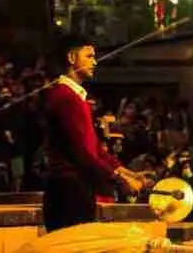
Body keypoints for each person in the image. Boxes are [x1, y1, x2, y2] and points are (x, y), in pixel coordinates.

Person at [42, 34, 143, 231]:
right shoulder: (66, 97)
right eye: (89, 56)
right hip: (69, 190)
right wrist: (119, 179)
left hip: (74, 188)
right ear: (71, 58)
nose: (94, 62)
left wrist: (125, 171)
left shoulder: (75, 97)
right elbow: (83, 153)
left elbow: (93, 146)